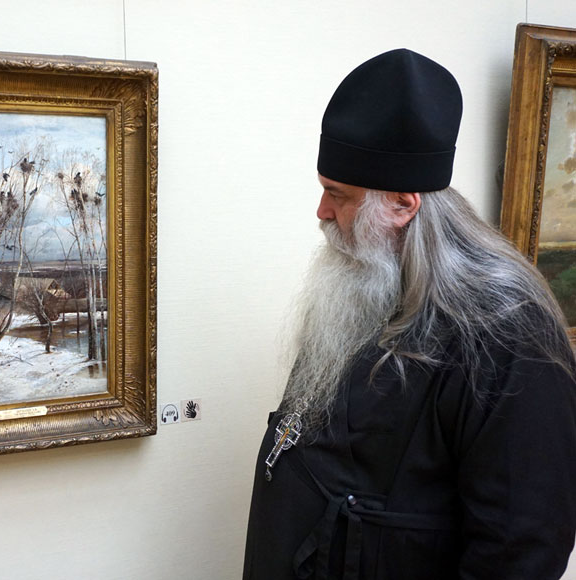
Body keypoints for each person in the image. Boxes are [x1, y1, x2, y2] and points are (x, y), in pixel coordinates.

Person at [243, 48, 576, 579]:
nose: (322, 212)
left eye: (337, 194)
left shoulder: (508, 330)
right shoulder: (362, 277)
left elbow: (521, 549)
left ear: (402, 204)